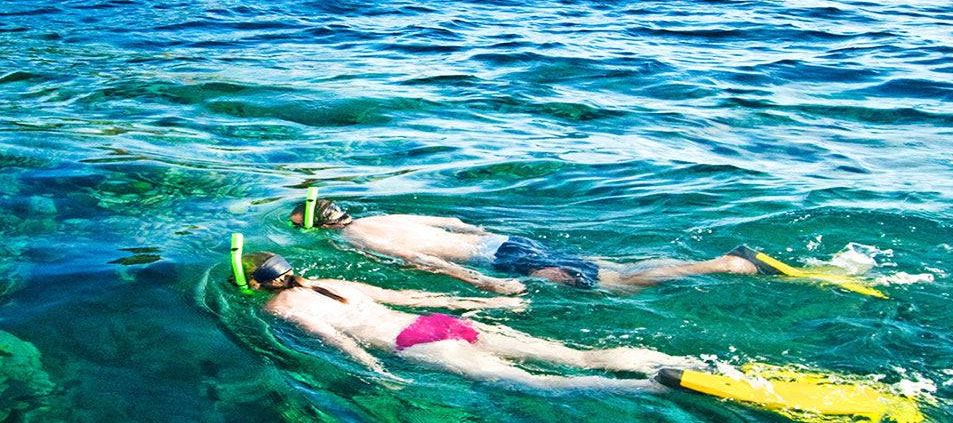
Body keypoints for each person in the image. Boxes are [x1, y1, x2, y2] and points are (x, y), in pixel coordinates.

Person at [237, 251, 697, 393]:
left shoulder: (280, 311)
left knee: (536, 384)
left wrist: (376, 372)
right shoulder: (332, 282)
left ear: (257, 285)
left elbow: (336, 341)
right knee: (576, 355)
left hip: (411, 344)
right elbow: (412, 295)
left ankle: (651, 386)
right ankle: (675, 361)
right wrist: (491, 305)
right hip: (435, 323)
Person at [291, 199, 773, 295]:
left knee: (615, 286)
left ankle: (725, 265)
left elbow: (423, 262)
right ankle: (717, 263)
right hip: (506, 242)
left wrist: (481, 280)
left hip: (501, 259)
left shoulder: (357, 239)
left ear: (318, 227)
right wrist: (481, 246)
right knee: (611, 268)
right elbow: (454, 223)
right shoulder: (384, 215)